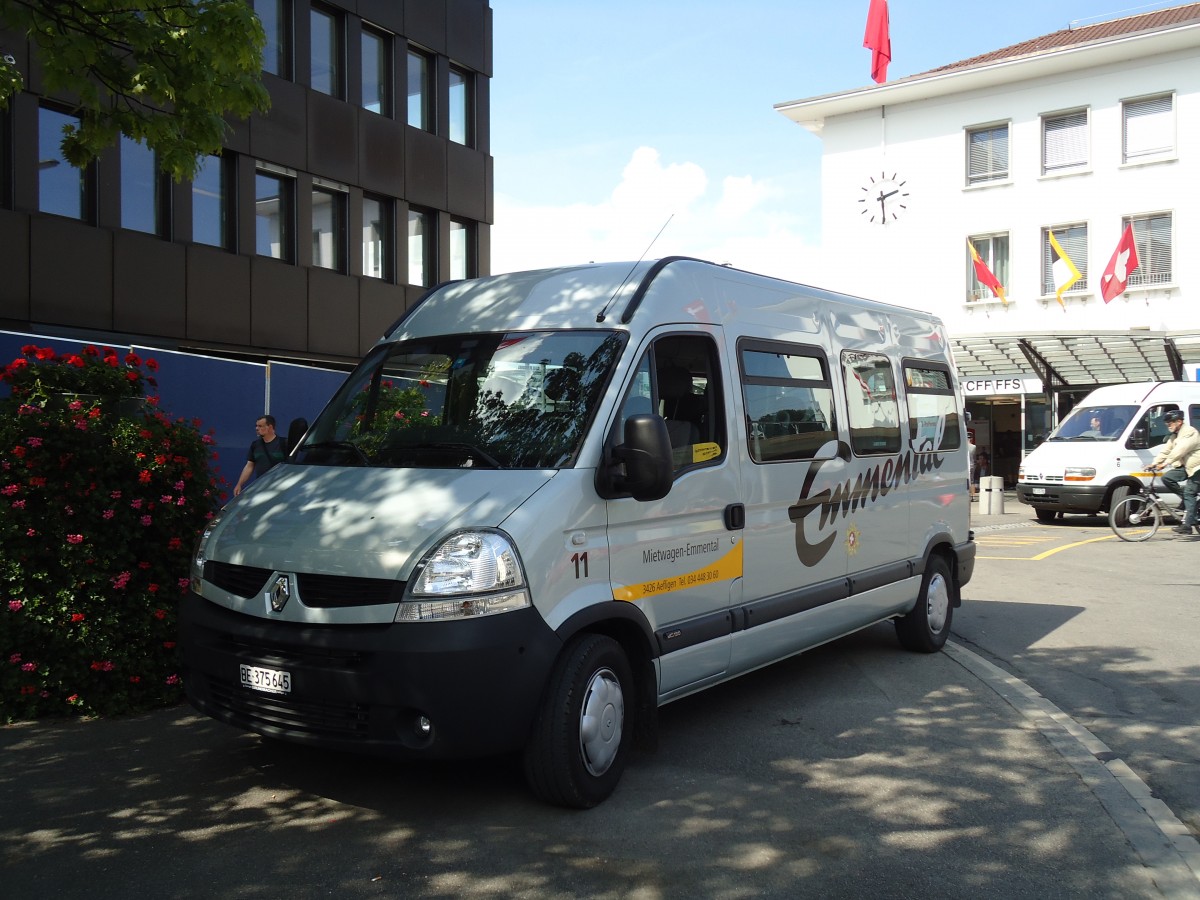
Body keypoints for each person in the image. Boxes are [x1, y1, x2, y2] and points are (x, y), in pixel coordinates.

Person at [1146, 409, 1200, 535]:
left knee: (1189, 492)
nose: (1168, 425)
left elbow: (1180, 450)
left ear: (1179, 422)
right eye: (1167, 423)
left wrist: (1165, 463)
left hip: (1197, 467)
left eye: (1170, 422)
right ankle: (1187, 501)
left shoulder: (1190, 432)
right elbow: (1166, 451)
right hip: (1187, 466)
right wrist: (1154, 463)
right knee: (1167, 478)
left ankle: (1187, 526)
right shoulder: (1174, 436)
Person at [234, 415, 288, 496]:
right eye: (256, 426)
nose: (256, 428)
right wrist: (239, 484)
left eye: (260, 426)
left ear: (270, 427)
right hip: (260, 488)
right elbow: (249, 466)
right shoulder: (255, 445)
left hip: (279, 488)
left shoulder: (284, 443)